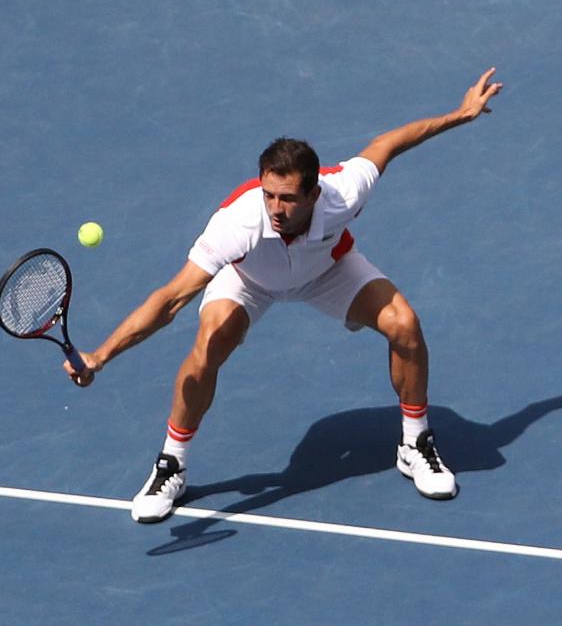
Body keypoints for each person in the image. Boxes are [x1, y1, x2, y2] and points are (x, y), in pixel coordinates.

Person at [66, 68, 506, 523]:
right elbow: (172, 299)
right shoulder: (238, 224)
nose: (276, 208)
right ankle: (171, 464)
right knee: (209, 343)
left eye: (288, 198)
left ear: (315, 193)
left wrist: (460, 115)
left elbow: (388, 144)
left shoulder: (343, 192)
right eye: (269, 194)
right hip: (250, 280)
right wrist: (101, 355)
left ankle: (415, 443)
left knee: (404, 324)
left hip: (328, 271)